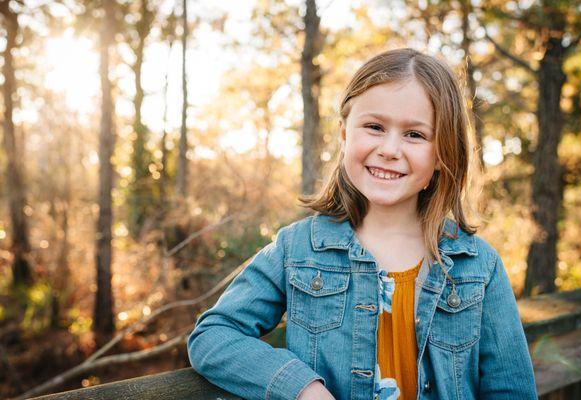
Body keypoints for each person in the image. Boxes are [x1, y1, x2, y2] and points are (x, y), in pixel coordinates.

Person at [187, 48, 537, 400]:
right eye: (374, 127)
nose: (389, 148)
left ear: (442, 155)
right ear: (343, 135)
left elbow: (512, 389)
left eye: (414, 135)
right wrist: (301, 388)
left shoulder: (478, 265)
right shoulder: (298, 249)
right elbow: (214, 334)